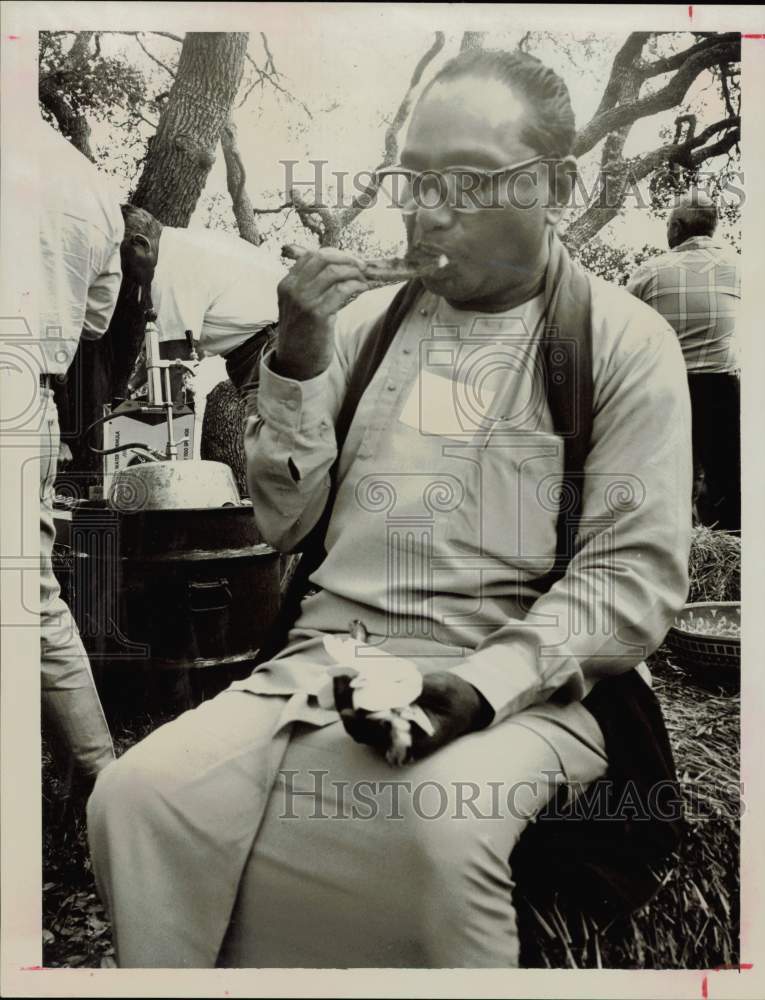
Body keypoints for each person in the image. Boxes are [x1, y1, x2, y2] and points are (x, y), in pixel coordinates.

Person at [88, 49, 692, 968]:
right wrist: (291, 362)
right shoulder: (364, 331)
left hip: (522, 680)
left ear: (558, 184)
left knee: (427, 831)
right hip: (325, 660)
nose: (428, 207)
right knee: (136, 799)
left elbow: (632, 578)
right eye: (414, 177)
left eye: (468, 180)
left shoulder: (620, 341)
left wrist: (479, 687)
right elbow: (287, 525)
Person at [38, 122, 124, 790]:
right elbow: (97, 318)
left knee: (27, 601)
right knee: (31, 598)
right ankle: (100, 782)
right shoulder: (90, 183)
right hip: (32, 391)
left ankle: (103, 785)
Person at [627, 190, 741, 530]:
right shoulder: (740, 268)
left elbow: (623, 332)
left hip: (667, 390)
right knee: (728, 483)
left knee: (667, 484)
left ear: (676, 228)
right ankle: (729, 555)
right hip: (723, 390)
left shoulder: (650, 271)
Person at [121, 207, 283, 398]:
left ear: (142, 243)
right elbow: (169, 352)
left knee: (277, 426)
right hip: (283, 334)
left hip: (269, 346)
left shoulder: (168, 270)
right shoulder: (180, 245)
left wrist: (166, 421)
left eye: (123, 260)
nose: (124, 272)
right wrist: (131, 387)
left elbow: (174, 363)